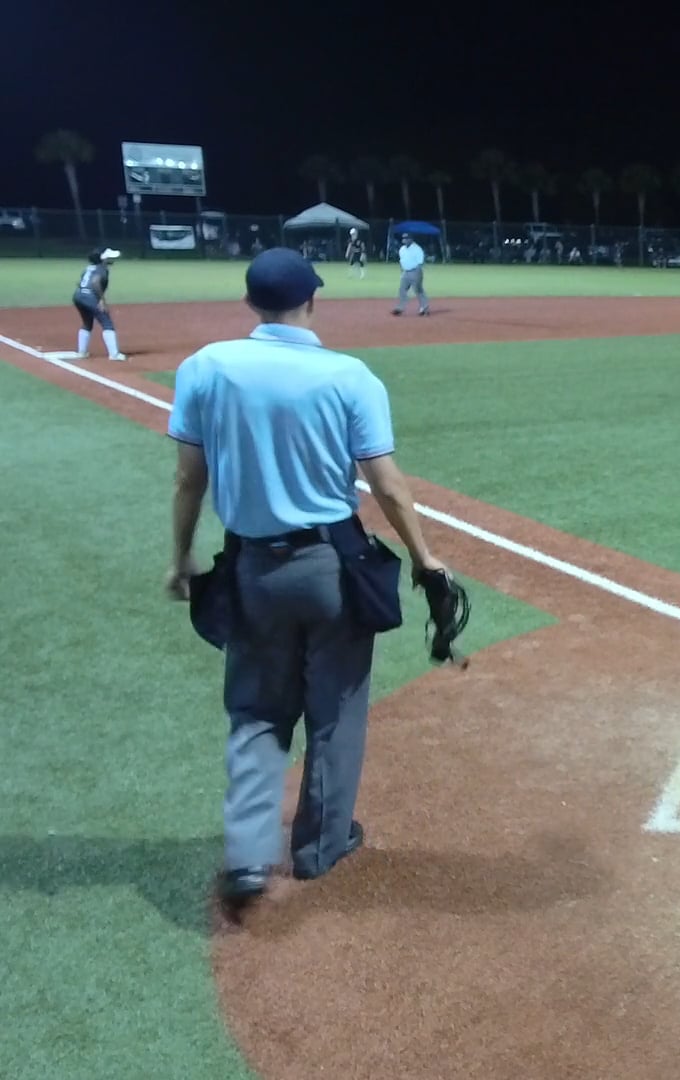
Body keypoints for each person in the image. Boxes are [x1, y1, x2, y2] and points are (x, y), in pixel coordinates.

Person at [164, 247, 451, 913]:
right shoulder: (349, 376)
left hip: (250, 568)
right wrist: (424, 558)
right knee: (336, 709)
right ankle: (320, 845)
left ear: (250, 302)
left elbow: (188, 478)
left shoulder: (205, 367)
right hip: (331, 565)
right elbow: (387, 485)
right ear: (312, 301)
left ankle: (247, 855)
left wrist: (180, 558)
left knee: (256, 709)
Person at [73, 246, 125, 361]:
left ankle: (82, 352)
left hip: (78, 296)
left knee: (87, 323)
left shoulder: (89, 268)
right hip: (90, 297)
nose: (113, 260)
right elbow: (95, 282)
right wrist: (102, 300)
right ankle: (114, 354)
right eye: (110, 257)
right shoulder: (102, 269)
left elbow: (82, 281)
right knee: (107, 323)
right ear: (103, 259)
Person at [393, 233, 429, 316]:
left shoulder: (417, 249)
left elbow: (420, 263)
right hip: (405, 272)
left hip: (415, 271)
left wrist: (418, 274)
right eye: (403, 238)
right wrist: (402, 272)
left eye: (406, 238)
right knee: (402, 290)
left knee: (418, 290)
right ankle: (400, 308)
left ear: (411, 240)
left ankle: (424, 308)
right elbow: (401, 261)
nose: (404, 240)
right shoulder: (402, 249)